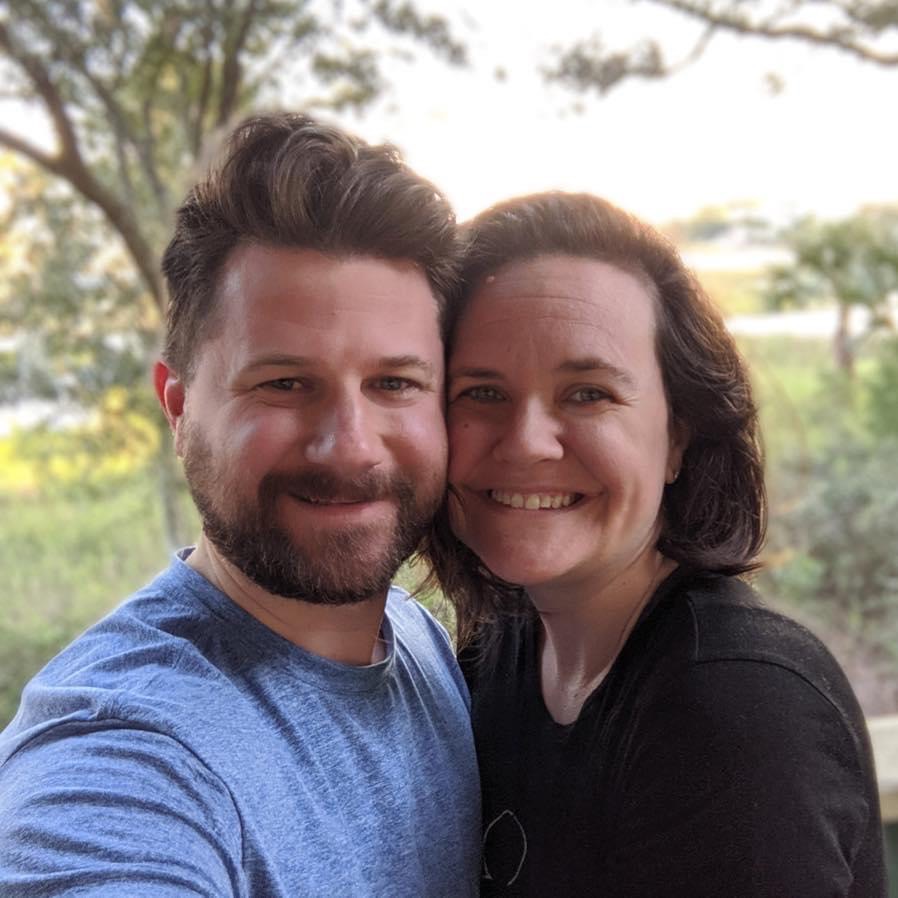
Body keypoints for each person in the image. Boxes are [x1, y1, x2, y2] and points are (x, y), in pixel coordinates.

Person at [0, 113, 480, 897]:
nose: (350, 446)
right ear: (179, 407)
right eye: (284, 383)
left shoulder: (417, 639)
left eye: (394, 383)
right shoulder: (121, 751)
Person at [426, 191, 886, 896]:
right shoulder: (498, 654)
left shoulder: (734, 711)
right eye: (481, 393)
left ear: (678, 437)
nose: (525, 443)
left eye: (588, 393)